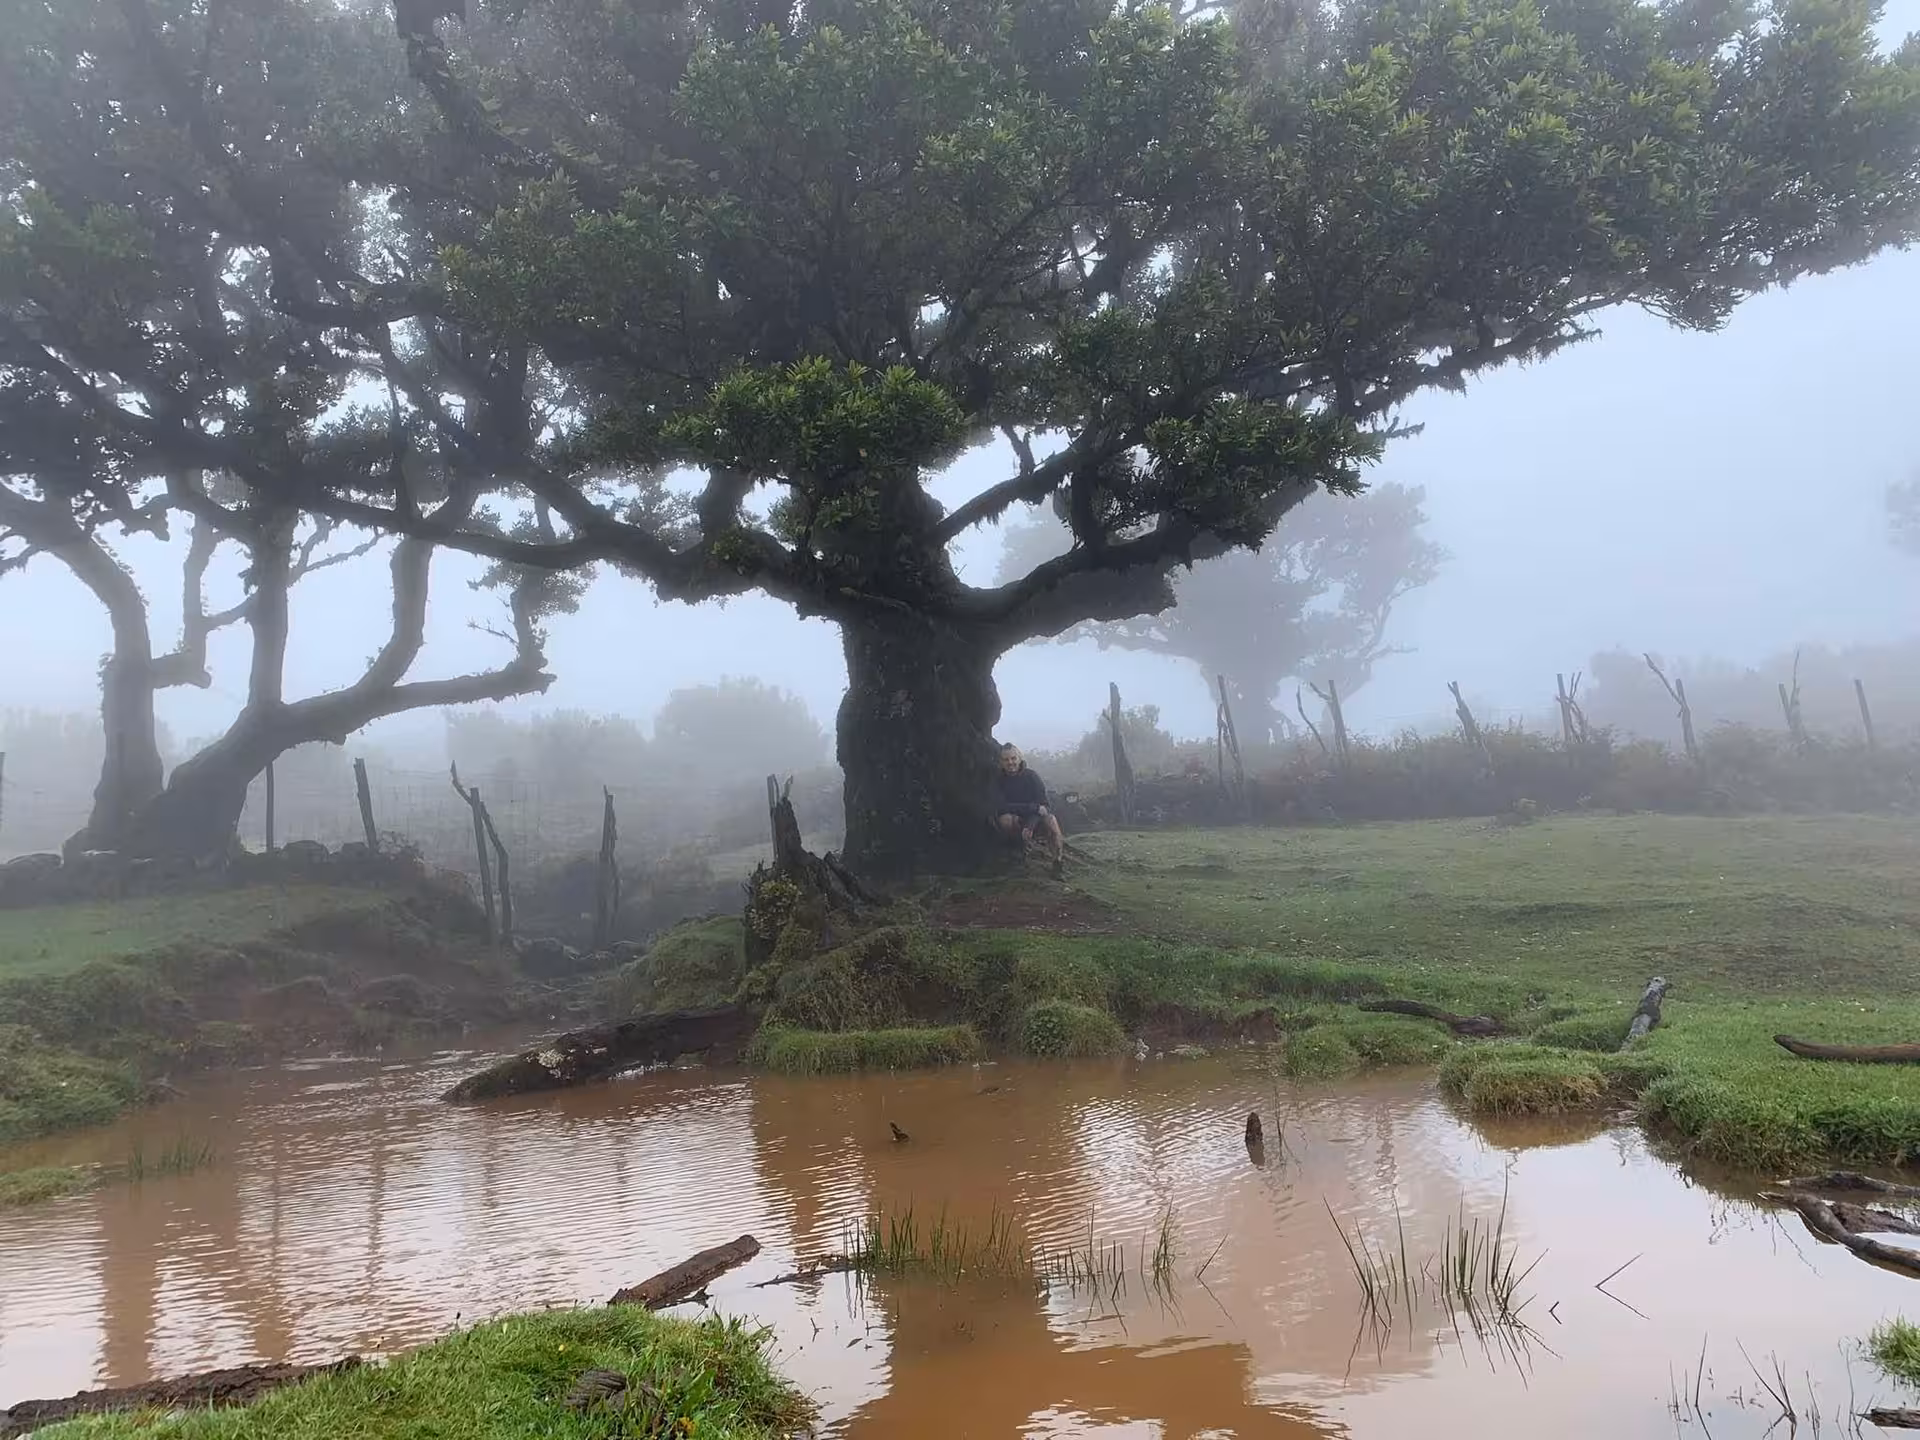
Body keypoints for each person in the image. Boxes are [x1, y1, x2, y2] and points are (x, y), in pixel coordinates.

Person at [994, 743, 1064, 875]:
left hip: (1034, 820)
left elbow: (1044, 807)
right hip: (1014, 820)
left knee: (1051, 820)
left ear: (1019, 758)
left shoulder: (1032, 776)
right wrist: (1032, 807)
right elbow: (1001, 807)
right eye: (1006, 760)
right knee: (1005, 820)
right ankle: (1016, 855)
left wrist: (1030, 825)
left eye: (1013, 758)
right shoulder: (998, 780)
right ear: (1001, 762)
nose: (1010, 762)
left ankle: (1057, 863)